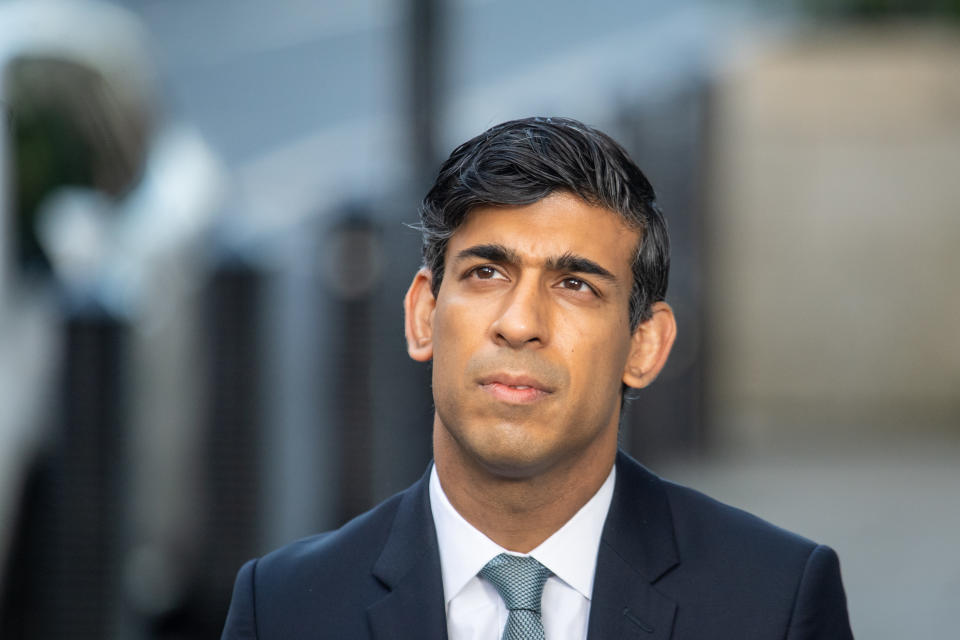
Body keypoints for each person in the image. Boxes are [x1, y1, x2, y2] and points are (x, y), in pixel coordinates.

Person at [221, 117, 853, 639]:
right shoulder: (282, 610)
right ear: (422, 316)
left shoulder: (775, 602)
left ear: (644, 345)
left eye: (575, 284)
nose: (519, 324)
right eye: (485, 274)